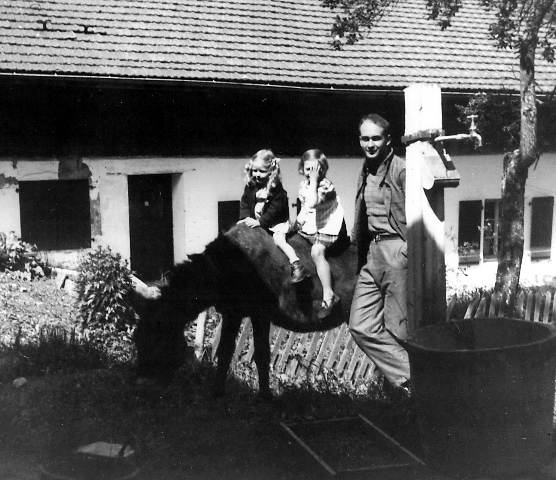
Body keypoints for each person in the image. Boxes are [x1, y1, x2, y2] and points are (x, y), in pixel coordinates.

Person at [348, 114, 411, 392]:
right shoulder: (366, 169)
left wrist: (408, 250)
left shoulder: (401, 170)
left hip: (397, 250)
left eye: (376, 138)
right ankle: (416, 376)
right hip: (372, 252)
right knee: (360, 325)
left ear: (388, 139)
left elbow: (418, 214)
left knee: (399, 328)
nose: (370, 144)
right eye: (365, 138)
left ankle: (407, 389)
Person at [290, 149, 346, 319]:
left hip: (328, 228)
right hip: (311, 226)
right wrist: (296, 223)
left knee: (316, 251)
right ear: (302, 169)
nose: (311, 174)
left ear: (323, 170)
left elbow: (313, 202)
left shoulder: (326, 186)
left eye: (316, 170)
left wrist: (314, 181)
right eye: (308, 169)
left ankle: (329, 295)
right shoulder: (304, 186)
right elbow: (305, 207)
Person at [237, 149, 308, 282]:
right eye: (254, 170)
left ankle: (296, 263)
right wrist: (244, 217)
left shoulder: (277, 190)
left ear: (271, 172)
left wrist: (260, 222)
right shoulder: (250, 186)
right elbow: (245, 202)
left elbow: (274, 210)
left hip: (276, 223)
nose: (257, 174)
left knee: (278, 240)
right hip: (258, 222)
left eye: (262, 171)